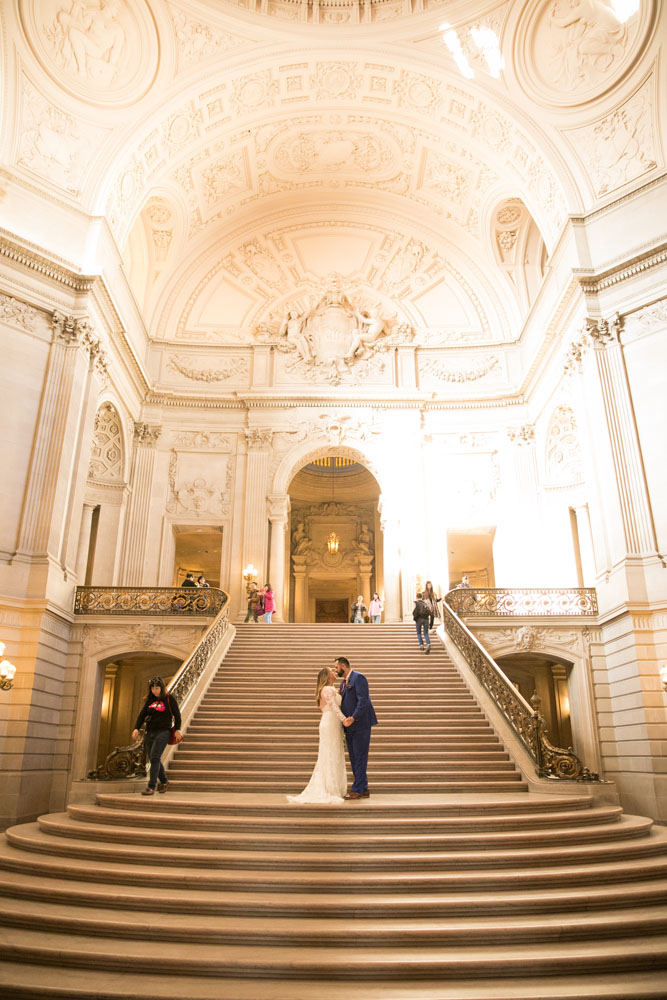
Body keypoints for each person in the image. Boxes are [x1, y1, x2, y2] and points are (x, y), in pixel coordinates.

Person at [287, 667, 347, 804]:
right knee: (329, 753)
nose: (335, 672)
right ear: (327, 675)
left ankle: (334, 786)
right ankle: (330, 788)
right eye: (332, 671)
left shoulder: (332, 688)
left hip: (334, 723)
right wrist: (344, 719)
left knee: (335, 752)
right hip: (330, 722)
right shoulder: (327, 689)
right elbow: (333, 706)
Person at [335, 656, 377, 799]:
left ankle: (357, 789)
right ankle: (363, 787)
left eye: (336, 667)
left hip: (360, 725)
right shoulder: (342, 684)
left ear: (343, 666)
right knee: (354, 758)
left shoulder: (359, 678)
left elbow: (363, 701)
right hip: (350, 727)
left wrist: (353, 717)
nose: (335, 670)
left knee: (359, 757)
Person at [132, 676, 181, 796]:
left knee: (154, 757)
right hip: (150, 732)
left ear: (162, 687)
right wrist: (136, 728)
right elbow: (142, 715)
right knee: (154, 758)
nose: (155, 690)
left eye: (157, 688)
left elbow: (177, 715)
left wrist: (178, 729)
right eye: (152, 688)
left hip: (164, 732)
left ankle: (151, 786)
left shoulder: (169, 699)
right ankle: (164, 781)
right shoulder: (150, 700)